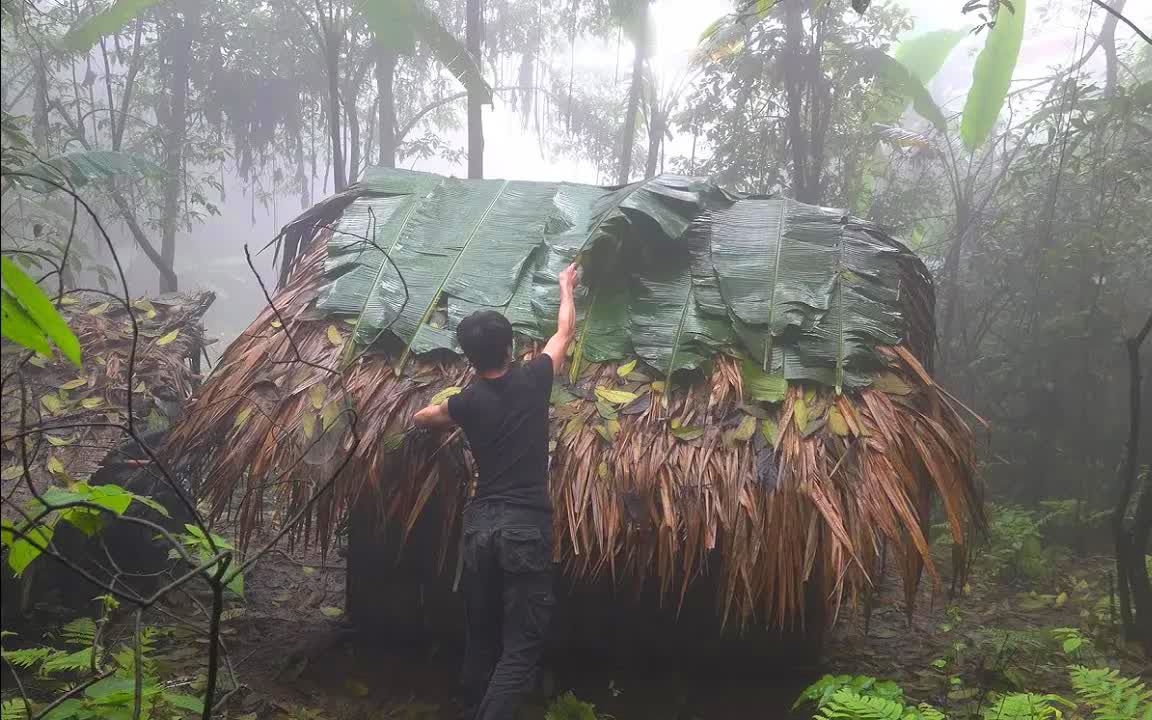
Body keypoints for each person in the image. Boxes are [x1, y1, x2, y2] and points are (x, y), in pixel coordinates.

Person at [412, 262, 580, 720]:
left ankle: (470, 705)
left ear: (470, 358)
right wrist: (566, 286)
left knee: (481, 632)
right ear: (510, 347)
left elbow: (423, 418)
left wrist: (438, 407)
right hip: (524, 527)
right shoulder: (534, 379)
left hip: (481, 528)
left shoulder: (467, 403)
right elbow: (564, 331)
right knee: (521, 646)